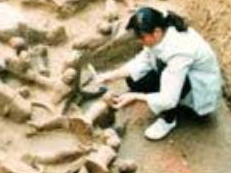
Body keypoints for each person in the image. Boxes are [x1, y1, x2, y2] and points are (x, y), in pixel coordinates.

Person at [95, 7, 222, 140]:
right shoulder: (162, 31)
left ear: (156, 32)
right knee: (133, 80)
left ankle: (169, 120)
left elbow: (169, 99)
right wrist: (112, 75)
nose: (140, 41)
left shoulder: (179, 51)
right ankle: (154, 96)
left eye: (142, 37)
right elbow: (143, 60)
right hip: (177, 73)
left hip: (197, 87)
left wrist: (137, 96)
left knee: (161, 79)